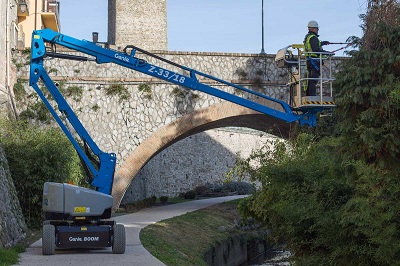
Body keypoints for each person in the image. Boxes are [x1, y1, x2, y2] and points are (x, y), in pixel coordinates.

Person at [303, 20, 331, 96]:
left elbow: (313, 46)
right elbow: (316, 49)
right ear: (313, 29)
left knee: (310, 79)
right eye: (317, 29)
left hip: (310, 61)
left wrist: (323, 43)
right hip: (314, 61)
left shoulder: (308, 37)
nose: (317, 30)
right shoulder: (313, 37)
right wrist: (326, 52)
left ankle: (309, 95)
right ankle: (312, 96)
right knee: (313, 80)